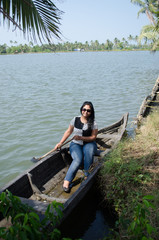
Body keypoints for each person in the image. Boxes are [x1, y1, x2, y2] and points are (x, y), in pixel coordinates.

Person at [54, 101, 98, 193]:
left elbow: (93, 137)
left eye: (88, 110)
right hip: (76, 144)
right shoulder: (75, 119)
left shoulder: (93, 123)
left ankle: (86, 174)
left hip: (89, 143)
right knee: (78, 159)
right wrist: (60, 143)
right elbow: (68, 131)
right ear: (81, 109)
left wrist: (81, 137)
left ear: (91, 112)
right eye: (84, 109)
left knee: (88, 152)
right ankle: (67, 181)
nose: (86, 112)